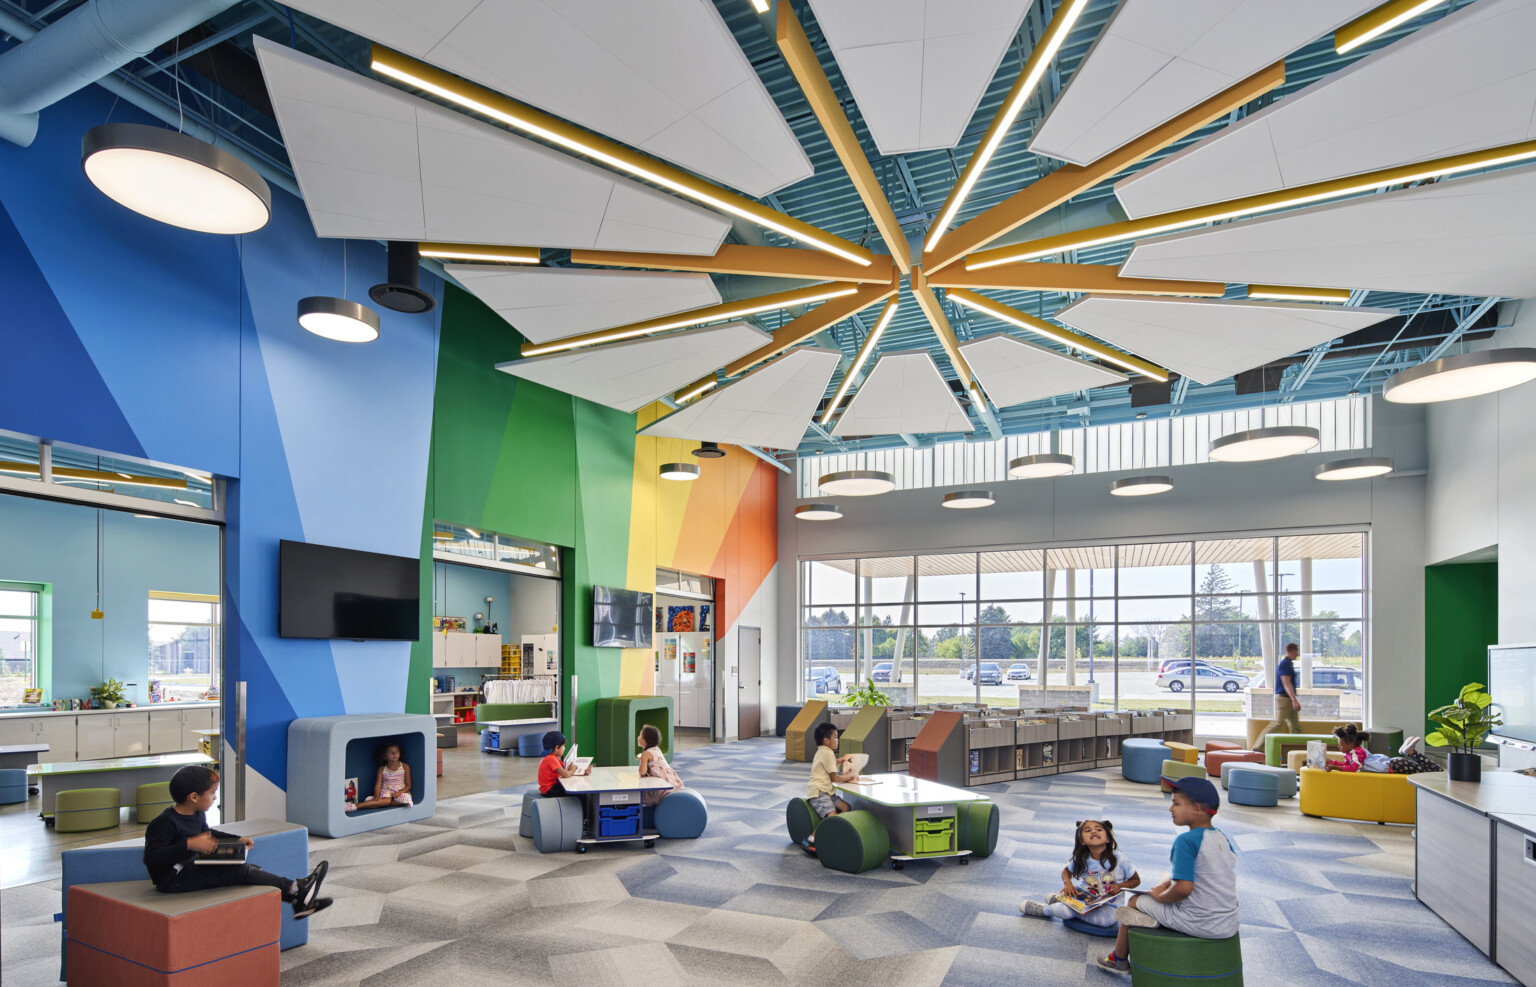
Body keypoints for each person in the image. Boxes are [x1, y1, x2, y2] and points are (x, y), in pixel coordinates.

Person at [144, 765, 330, 916]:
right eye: (212, 793)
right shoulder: (164, 823)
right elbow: (152, 857)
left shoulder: (197, 814)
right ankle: (297, 890)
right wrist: (189, 844)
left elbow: (209, 833)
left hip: (192, 864)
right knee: (241, 871)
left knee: (251, 868)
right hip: (172, 880)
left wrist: (237, 839)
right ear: (194, 797)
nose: (215, 797)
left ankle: (299, 901)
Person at [1096, 776, 1238, 976]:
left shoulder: (1186, 841)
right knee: (1168, 875)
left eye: (1176, 803)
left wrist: (1160, 896)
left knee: (1134, 901)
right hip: (1228, 923)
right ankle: (1157, 912)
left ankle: (1118, 959)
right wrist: (1165, 885)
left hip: (1198, 922)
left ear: (1196, 808)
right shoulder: (1221, 837)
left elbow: (1183, 889)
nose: (1171, 808)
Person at [1020, 819, 1140, 928]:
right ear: (1082, 840)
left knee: (1107, 921)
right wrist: (1068, 884)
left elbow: (1136, 880)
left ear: (1108, 838)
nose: (1094, 831)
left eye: (1098, 829)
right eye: (1088, 830)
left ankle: (1066, 906)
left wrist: (1119, 887)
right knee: (1064, 912)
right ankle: (1045, 910)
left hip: (1110, 905)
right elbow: (1066, 871)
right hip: (1084, 896)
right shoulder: (1082, 858)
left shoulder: (1120, 859)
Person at [801, 722, 858, 849]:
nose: (837, 740)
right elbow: (834, 778)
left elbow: (829, 768)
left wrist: (838, 762)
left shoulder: (823, 751)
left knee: (846, 807)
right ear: (826, 740)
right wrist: (850, 778)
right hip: (819, 792)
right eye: (835, 737)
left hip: (827, 791)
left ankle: (836, 831)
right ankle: (811, 840)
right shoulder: (827, 753)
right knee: (831, 814)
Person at [1251, 642, 1302, 752]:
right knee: (1277, 723)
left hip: (1287, 699)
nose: (1298, 654)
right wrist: (1294, 700)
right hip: (1284, 699)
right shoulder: (1285, 664)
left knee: (1295, 727)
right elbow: (1286, 683)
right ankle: (1257, 747)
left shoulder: (1288, 663)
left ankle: (1293, 753)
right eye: (1297, 651)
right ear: (1293, 651)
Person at [353, 741, 413, 809]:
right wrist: (377, 796)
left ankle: (380, 803)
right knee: (387, 800)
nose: (394, 754)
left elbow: (408, 785)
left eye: (397, 751)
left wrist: (399, 793)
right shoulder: (382, 769)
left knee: (406, 800)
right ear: (385, 756)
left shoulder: (405, 767)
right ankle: (355, 806)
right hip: (386, 791)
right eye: (391, 752)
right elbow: (378, 784)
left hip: (400, 791)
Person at [636, 724, 682, 806]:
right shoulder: (657, 749)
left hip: (662, 789)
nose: (638, 737)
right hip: (673, 783)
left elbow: (642, 772)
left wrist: (642, 761)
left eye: (640, 735)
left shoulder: (645, 754)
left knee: (640, 795)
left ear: (645, 740)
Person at [537, 730, 589, 797]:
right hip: (550, 790)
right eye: (563, 746)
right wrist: (572, 770)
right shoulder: (551, 759)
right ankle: (582, 807)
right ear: (556, 748)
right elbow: (566, 774)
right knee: (580, 793)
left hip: (552, 787)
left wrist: (583, 772)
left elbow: (565, 770)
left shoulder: (553, 758)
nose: (564, 748)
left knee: (577, 788)